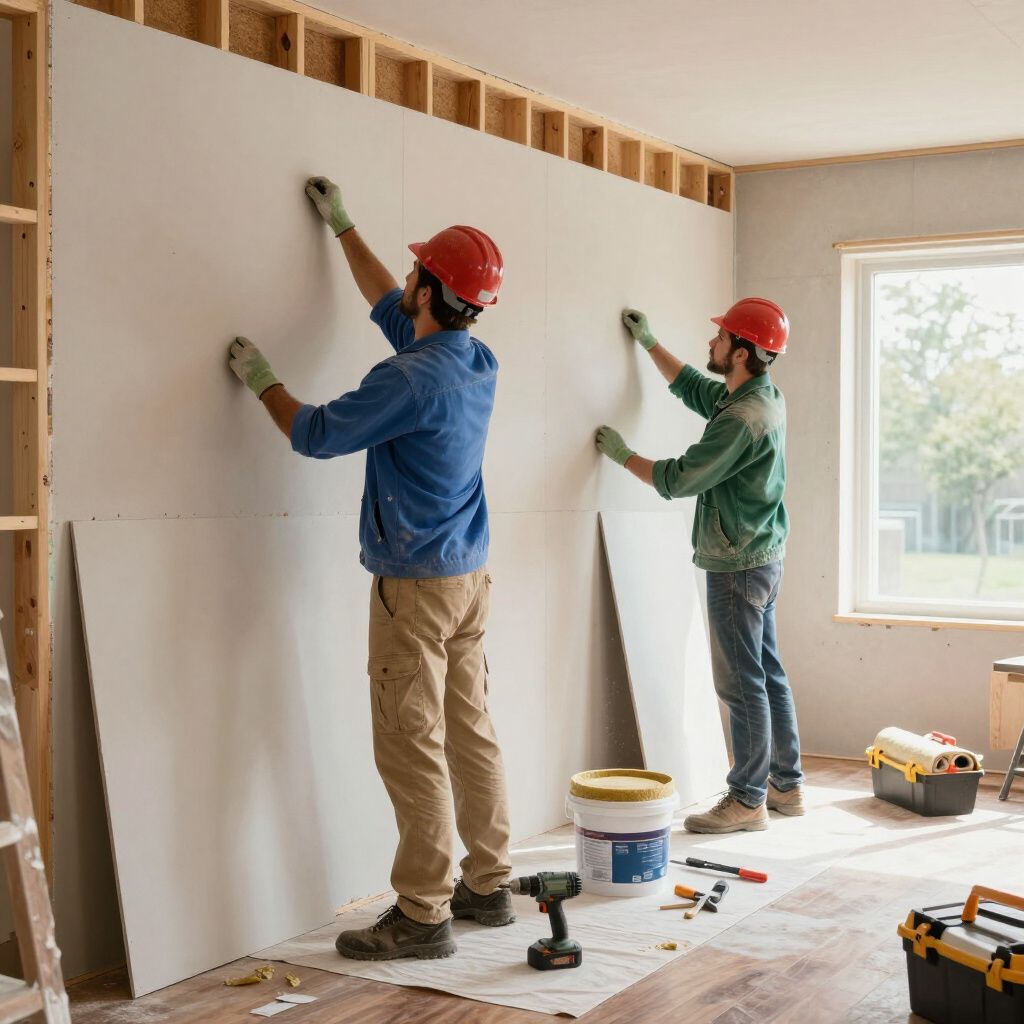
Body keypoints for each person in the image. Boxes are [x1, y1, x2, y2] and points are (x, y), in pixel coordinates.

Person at [227, 176, 514, 960]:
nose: (409, 280)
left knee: (410, 742)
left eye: (419, 272)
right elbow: (393, 301)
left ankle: (423, 913)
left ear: (433, 289)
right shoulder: (473, 357)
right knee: (470, 729)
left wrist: (262, 383)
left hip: (416, 589)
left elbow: (316, 434)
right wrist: (344, 227)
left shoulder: (409, 380)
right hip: (468, 579)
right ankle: (488, 883)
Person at [594, 299, 804, 833]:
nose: (711, 343)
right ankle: (785, 784)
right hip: (761, 555)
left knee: (741, 685)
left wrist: (622, 456)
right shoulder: (756, 396)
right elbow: (695, 388)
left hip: (737, 566)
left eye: (721, 337)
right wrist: (648, 344)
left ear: (742, 351)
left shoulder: (743, 418)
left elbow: (680, 478)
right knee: (766, 674)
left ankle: (748, 799)